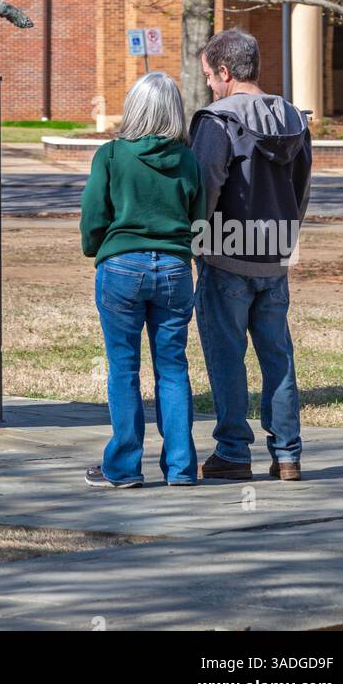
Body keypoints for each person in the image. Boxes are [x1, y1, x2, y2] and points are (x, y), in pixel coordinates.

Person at [190, 28, 312, 482]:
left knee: (227, 356)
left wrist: (195, 240)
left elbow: (204, 186)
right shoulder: (294, 118)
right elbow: (301, 190)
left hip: (225, 252)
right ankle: (287, 455)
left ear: (225, 71)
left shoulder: (216, 120)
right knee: (278, 354)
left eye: (209, 75)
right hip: (275, 251)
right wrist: (284, 237)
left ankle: (234, 453)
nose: (208, 85)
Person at [80, 72, 206, 487]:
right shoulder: (188, 160)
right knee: (172, 368)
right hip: (173, 269)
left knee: (124, 368)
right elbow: (199, 219)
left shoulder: (112, 155)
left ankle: (124, 467)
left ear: (135, 107)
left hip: (121, 267)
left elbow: (93, 218)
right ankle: (182, 467)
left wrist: (97, 246)